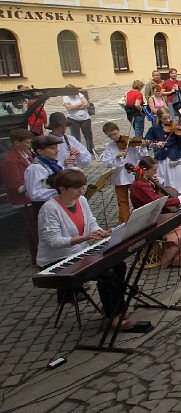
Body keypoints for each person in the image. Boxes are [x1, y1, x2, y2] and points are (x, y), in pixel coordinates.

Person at [37, 168, 133, 328]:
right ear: (62, 188)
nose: (81, 191)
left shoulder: (81, 201)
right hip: (57, 260)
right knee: (106, 272)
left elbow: (90, 222)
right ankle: (113, 314)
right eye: (76, 188)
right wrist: (84, 238)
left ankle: (112, 307)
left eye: (82, 187)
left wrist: (99, 231)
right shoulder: (49, 209)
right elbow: (53, 241)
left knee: (118, 264)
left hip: (79, 252)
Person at [127, 157, 181, 267]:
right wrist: (177, 200)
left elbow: (153, 197)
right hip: (146, 221)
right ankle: (180, 258)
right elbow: (156, 201)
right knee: (179, 225)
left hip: (152, 216)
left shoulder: (144, 181)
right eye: (153, 170)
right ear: (144, 170)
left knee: (178, 219)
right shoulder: (139, 185)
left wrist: (156, 186)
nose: (155, 172)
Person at [101, 121, 147, 224]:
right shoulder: (109, 147)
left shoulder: (130, 142)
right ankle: (125, 222)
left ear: (118, 130)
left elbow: (141, 156)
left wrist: (143, 146)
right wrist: (116, 156)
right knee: (122, 202)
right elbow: (106, 163)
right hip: (119, 179)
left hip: (133, 176)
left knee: (138, 198)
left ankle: (142, 219)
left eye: (115, 134)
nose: (114, 137)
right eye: (110, 136)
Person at [2, 129, 37, 263]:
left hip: (30, 196)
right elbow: (15, 185)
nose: (30, 145)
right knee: (34, 227)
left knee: (32, 228)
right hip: (23, 199)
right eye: (27, 142)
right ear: (16, 143)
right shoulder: (10, 160)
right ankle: (40, 257)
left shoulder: (25, 153)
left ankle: (35, 256)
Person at [144, 109, 181, 196]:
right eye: (165, 119)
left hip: (177, 155)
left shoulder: (176, 126)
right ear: (160, 119)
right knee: (167, 180)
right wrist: (156, 143)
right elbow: (147, 141)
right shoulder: (154, 129)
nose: (168, 120)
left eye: (169, 118)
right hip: (163, 158)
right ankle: (170, 195)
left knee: (180, 179)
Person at [62, 85, 95, 151]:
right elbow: (69, 107)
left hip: (85, 118)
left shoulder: (79, 94)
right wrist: (80, 105)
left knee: (88, 135)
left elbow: (87, 104)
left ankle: (90, 149)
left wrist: (74, 106)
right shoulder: (66, 97)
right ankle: (78, 150)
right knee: (75, 136)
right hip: (73, 119)